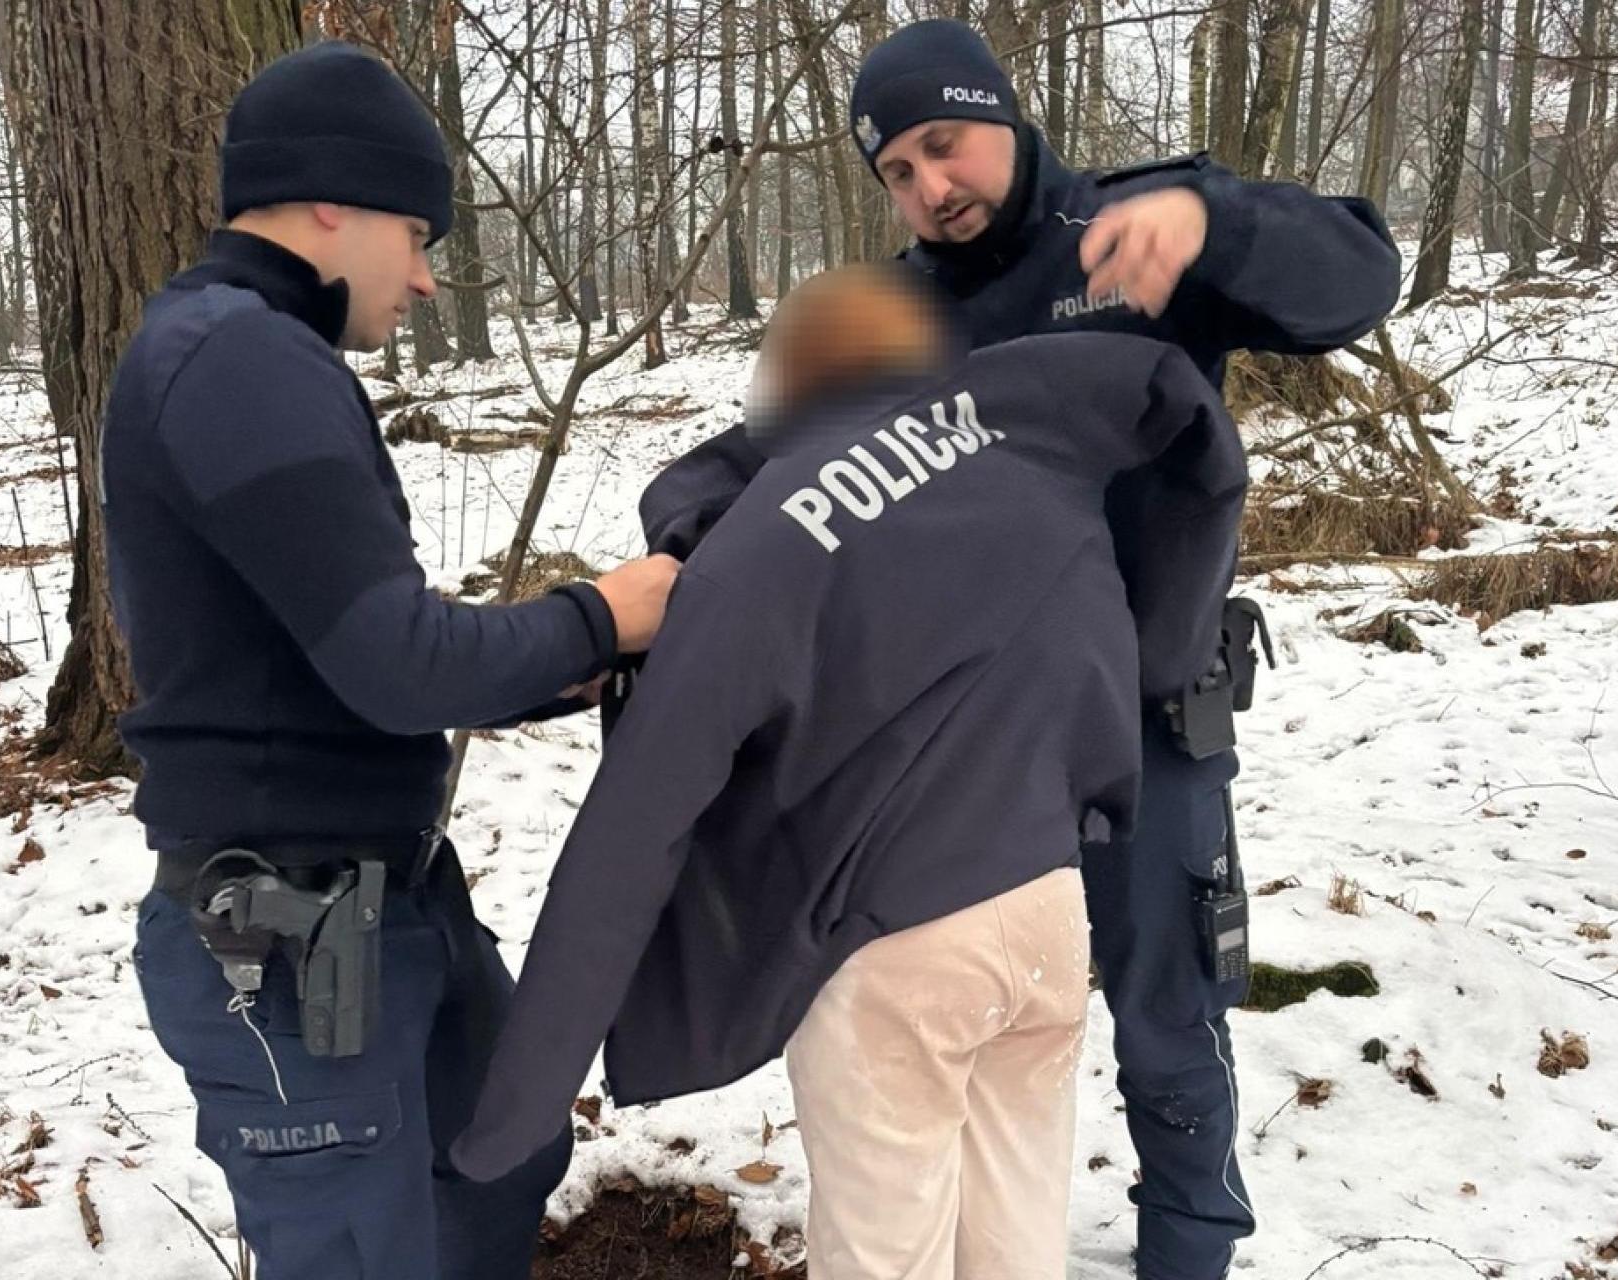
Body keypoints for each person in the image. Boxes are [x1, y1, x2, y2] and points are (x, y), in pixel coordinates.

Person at [615, 20, 1403, 1278]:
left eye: (944, 145)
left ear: (1003, 113)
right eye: (898, 173)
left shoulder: (1137, 232)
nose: (932, 188)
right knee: (975, 1036)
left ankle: (1190, 1251)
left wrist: (1218, 221)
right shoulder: (891, 312)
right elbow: (742, 464)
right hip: (967, 761)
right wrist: (703, 534)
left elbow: (1361, 277)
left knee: (1168, 1017)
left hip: (1151, 724)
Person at [448, 264, 1249, 1280]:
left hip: (890, 954)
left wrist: (514, 1109)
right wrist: (1165, 657)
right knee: (1013, 1243)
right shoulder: (1034, 446)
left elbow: (635, 822)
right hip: (1048, 918)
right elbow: (1199, 451)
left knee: (884, 1258)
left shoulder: (762, 545)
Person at [100, 41, 678, 1280]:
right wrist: (603, 615)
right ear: (330, 201)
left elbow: (324, 644)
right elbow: (396, 661)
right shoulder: (238, 359)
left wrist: (540, 672)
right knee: (367, 1251)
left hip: (377, 904)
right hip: (283, 937)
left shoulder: (250, 355)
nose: (423, 278)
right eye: (417, 233)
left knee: (502, 1151)